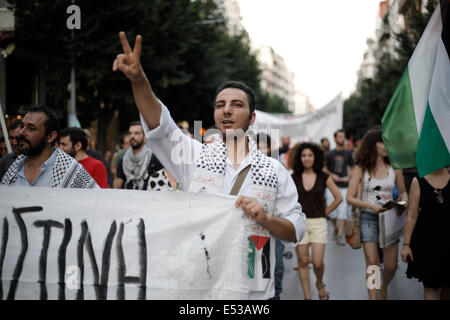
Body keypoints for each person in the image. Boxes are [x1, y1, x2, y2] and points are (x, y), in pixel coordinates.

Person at [112, 32, 306, 299]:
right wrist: (139, 80)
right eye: (220, 105)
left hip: (255, 292)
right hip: (202, 289)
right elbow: (161, 123)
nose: (226, 110)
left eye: (236, 105)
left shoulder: (274, 171)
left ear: (251, 119)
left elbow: (295, 231)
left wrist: (266, 218)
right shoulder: (193, 156)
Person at [346, 128, 408, 300]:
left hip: (390, 217)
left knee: (390, 266)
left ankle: (384, 286)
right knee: (372, 263)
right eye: (383, 142)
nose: (387, 146)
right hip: (368, 216)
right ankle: (374, 297)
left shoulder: (395, 168)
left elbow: (403, 193)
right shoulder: (361, 168)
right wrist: (370, 206)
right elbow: (349, 197)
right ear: (374, 145)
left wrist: (403, 202)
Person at [1, 105, 98, 188]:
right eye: (22, 126)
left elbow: (94, 203)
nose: (21, 133)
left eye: (31, 128)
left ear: (51, 136)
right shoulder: (14, 168)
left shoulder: (71, 172)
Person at [291, 143, 342, 300]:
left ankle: (320, 283)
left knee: (318, 263)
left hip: (319, 223)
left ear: (316, 158)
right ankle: (307, 296)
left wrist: (324, 212)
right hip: (299, 224)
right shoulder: (293, 177)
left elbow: (339, 198)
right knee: (303, 261)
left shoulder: (323, 176)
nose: (307, 158)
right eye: (304, 155)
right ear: (300, 158)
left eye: (310, 155)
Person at [401, 167, 450, 300]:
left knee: (448, 287)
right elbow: (412, 215)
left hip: (448, 240)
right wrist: (406, 244)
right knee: (431, 287)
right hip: (427, 241)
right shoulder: (418, 181)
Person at [256, 132, 285, 300]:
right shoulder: (245, 168)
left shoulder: (278, 169)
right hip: (252, 226)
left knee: (277, 265)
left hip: (274, 225)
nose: (261, 150)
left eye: (264, 147)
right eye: (257, 146)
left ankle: (276, 293)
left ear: (269, 148)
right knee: (257, 266)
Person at [324, 129, 355, 245]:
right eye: (340, 136)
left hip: (344, 186)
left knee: (342, 211)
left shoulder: (348, 153)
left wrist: (348, 176)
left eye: (343, 136)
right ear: (335, 139)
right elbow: (324, 168)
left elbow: (353, 167)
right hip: (331, 187)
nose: (342, 139)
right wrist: (332, 175)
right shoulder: (329, 154)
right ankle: (335, 227)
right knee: (332, 212)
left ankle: (339, 235)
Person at [113, 121, 163, 190]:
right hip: (128, 199)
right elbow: (117, 186)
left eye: (137, 133)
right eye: (130, 133)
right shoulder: (123, 160)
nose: (132, 136)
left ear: (144, 137)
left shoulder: (154, 159)